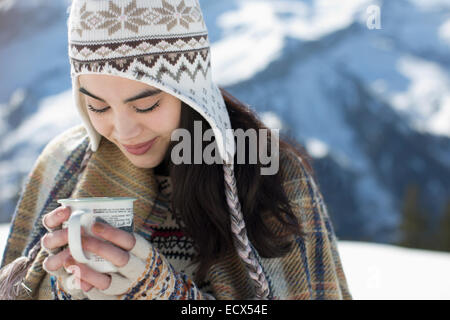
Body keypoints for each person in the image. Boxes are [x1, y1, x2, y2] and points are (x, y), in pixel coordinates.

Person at [0, 0, 351, 300]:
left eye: (147, 105)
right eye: (98, 107)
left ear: (190, 92)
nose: (123, 131)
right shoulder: (65, 161)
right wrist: (65, 285)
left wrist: (163, 292)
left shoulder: (265, 169)